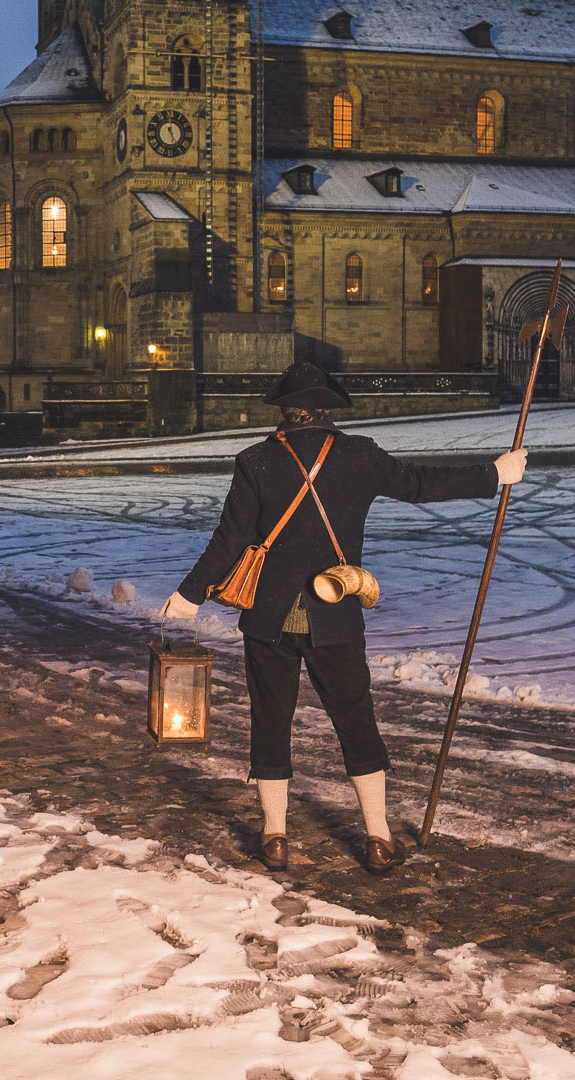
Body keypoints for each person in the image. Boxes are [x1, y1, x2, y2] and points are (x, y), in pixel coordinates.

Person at [162, 361, 527, 877]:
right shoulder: (360, 456)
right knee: (355, 721)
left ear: (284, 413)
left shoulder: (255, 461)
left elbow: (229, 539)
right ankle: (378, 838)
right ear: (329, 410)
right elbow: (422, 484)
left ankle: (275, 838)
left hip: (267, 619)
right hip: (335, 614)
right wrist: (495, 473)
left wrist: (189, 594)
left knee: (271, 721)